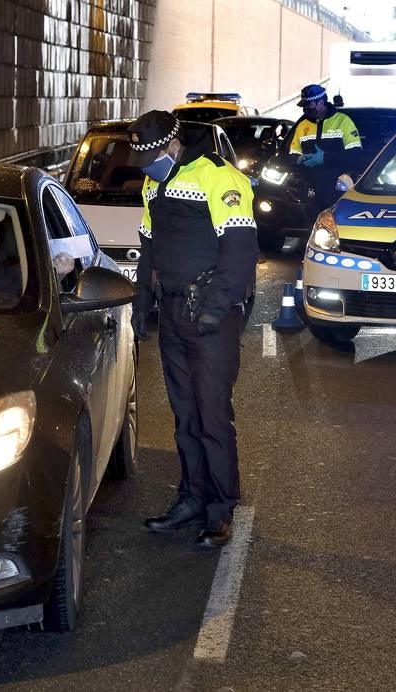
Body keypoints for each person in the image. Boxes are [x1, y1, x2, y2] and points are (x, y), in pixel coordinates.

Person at [129, 110, 258, 549]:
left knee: (212, 416)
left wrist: (214, 309)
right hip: (171, 315)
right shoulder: (153, 183)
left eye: (151, 155)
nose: (146, 165)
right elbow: (149, 247)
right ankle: (191, 498)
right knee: (185, 417)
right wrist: (141, 304)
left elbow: (240, 252)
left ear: (172, 144)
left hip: (209, 318)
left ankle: (220, 509)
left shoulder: (218, 177)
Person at [289, 83, 362, 212]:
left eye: (309, 105)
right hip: (311, 194)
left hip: (337, 192)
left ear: (321, 102)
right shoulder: (302, 125)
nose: (305, 109)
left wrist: (325, 158)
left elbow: (355, 156)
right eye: (304, 106)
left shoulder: (343, 121)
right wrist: (297, 158)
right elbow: (292, 154)